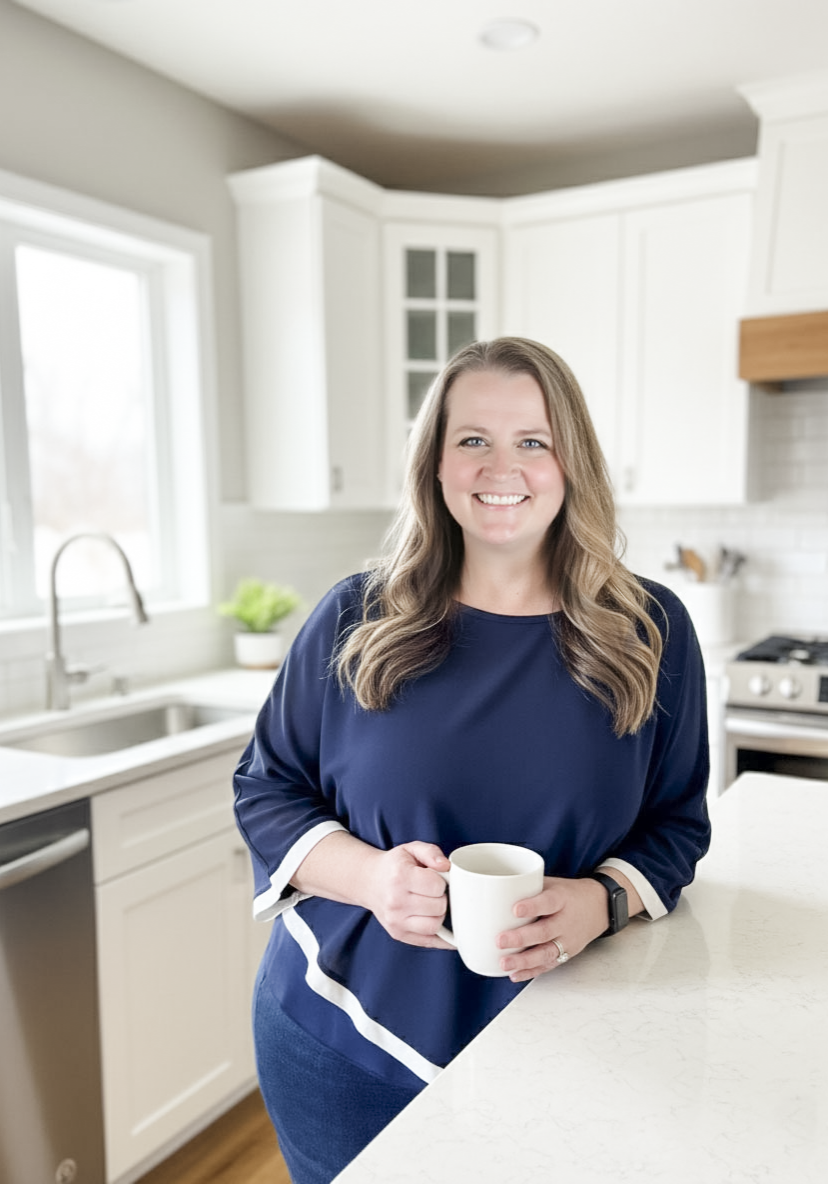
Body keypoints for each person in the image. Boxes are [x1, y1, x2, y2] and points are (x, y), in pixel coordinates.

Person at [233, 336, 711, 1184]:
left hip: (572, 1038)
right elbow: (267, 789)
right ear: (437, 464)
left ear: (573, 462)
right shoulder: (355, 615)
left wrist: (601, 900)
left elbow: (677, 823)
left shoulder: (651, 629)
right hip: (345, 1037)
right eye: (473, 440)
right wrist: (376, 879)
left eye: (534, 440)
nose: (504, 466)